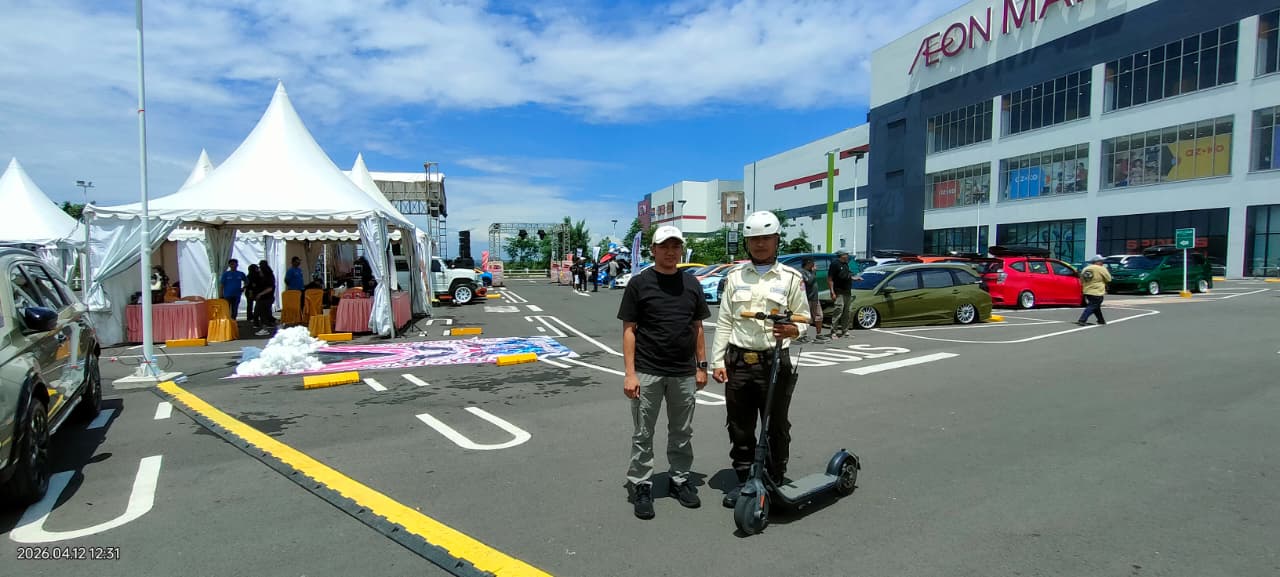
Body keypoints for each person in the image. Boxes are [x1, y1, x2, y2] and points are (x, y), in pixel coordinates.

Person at [711, 211, 809, 508]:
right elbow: (725, 322)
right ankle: (745, 482)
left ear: (777, 240)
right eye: (754, 239)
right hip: (738, 362)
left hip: (774, 362)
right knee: (739, 426)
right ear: (747, 243)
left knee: (776, 424)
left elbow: (803, 319)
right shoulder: (734, 276)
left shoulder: (791, 278)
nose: (760, 244)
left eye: (766, 238)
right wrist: (717, 362)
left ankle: (775, 478)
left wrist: (793, 328)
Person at [619, 225, 710, 520]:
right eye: (664, 246)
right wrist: (630, 374)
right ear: (654, 250)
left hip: (684, 372)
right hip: (648, 371)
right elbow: (629, 330)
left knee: (682, 431)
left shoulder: (691, 284)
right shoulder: (640, 283)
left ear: (680, 249)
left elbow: (697, 328)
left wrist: (702, 366)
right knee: (643, 433)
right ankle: (642, 485)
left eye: (675, 246)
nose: (671, 252)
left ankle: (680, 480)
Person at [827, 250, 857, 338]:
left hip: (847, 291)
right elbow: (830, 279)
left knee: (847, 312)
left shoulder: (846, 264)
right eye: (846, 254)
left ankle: (845, 331)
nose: (847, 256)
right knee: (838, 311)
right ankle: (833, 331)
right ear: (841, 255)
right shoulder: (835, 264)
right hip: (839, 291)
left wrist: (854, 278)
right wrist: (832, 292)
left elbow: (846, 276)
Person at [1077, 255, 1112, 326]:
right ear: (1097, 262)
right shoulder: (1101, 268)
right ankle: (1082, 319)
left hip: (1087, 290)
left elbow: (1081, 280)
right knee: (1093, 306)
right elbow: (1109, 278)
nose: (1103, 263)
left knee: (1096, 306)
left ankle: (1101, 320)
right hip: (1097, 291)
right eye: (1101, 261)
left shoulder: (1086, 268)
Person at [798, 257, 826, 343]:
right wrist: (814, 273)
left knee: (819, 315)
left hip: (815, 298)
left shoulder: (811, 272)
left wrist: (813, 273)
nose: (814, 265)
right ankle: (803, 335)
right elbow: (809, 282)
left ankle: (819, 334)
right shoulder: (802, 272)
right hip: (807, 298)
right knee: (806, 317)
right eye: (813, 263)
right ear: (808, 263)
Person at [254, 260, 277, 336]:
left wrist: (260, 294)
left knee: (263, 314)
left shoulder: (267, 276)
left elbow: (270, 288)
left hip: (265, 298)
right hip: (267, 297)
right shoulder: (268, 274)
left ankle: (265, 329)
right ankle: (276, 323)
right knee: (267, 313)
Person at [285, 256, 306, 323]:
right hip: (293, 291)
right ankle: (294, 318)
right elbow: (286, 280)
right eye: (297, 261)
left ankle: (301, 317)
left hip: (301, 289)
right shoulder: (290, 270)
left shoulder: (299, 270)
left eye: (299, 261)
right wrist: (291, 286)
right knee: (295, 305)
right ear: (293, 262)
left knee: (301, 304)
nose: (299, 262)